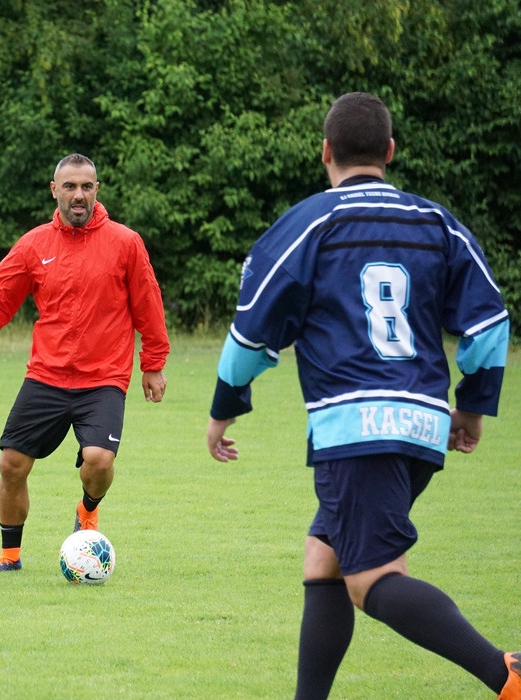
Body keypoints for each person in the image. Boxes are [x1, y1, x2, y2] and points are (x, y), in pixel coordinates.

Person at [205, 93, 517, 699]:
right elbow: (489, 325)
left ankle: (506, 675)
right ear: (390, 153)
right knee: (323, 559)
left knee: (372, 579)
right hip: (423, 426)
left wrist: (223, 409)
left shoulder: (309, 224)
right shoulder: (436, 223)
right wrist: (472, 408)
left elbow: (251, 332)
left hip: (355, 428)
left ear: (325, 152)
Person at [0, 153, 170, 574]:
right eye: (70, 187)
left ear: (97, 190)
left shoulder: (125, 242)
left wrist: (152, 363)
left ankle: (88, 512)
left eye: (87, 186)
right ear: (55, 190)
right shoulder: (34, 245)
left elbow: (148, 303)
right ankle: (9, 557)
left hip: (103, 377)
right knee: (11, 464)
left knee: (99, 460)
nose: (78, 195)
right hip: (46, 376)